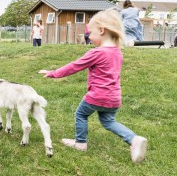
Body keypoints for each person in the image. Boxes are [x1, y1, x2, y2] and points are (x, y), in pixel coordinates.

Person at [38, 9, 148, 163]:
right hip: (114, 97)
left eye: (90, 32)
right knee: (109, 122)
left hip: (97, 96)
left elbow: (74, 66)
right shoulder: (117, 52)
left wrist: (53, 73)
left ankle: (80, 143)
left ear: (102, 30)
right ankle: (134, 139)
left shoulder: (97, 53)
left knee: (81, 115)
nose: (88, 36)